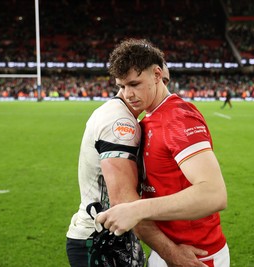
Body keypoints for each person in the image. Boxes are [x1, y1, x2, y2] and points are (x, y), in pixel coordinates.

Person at [97, 38, 230, 267]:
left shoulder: (179, 119)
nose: (127, 94)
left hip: (197, 255)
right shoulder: (149, 118)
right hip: (168, 248)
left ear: (157, 75)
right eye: (121, 86)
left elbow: (214, 194)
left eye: (135, 84)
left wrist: (136, 209)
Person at [66, 86, 208, 266]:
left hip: (111, 237)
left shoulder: (119, 114)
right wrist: (173, 254)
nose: (163, 93)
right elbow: (124, 201)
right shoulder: (120, 121)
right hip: (99, 242)